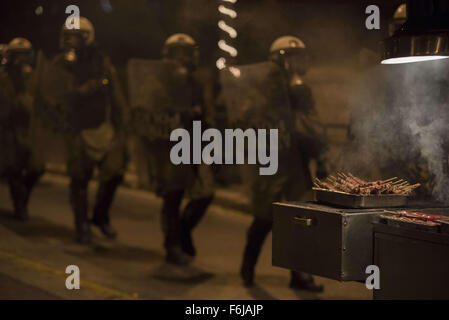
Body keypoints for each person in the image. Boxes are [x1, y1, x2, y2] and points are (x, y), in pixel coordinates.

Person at [239, 36, 327, 291]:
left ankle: (299, 275)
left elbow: (312, 124)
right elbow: (248, 122)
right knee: (265, 218)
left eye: (301, 56)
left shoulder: (302, 89)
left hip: (297, 163)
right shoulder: (262, 91)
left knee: (299, 220)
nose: (300, 62)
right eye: (293, 57)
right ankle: (248, 264)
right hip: (271, 162)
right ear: (280, 60)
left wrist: (319, 158)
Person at [46, 17, 129, 243]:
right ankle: (81, 224)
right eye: (68, 36)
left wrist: (123, 123)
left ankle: (100, 216)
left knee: (115, 172)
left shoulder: (101, 62)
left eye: (76, 36)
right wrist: (77, 94)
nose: (72, 41)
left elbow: (116, 94)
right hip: (75, 128)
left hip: (101, 126)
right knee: (79, 178)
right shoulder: (58, 64)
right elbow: (51, 96)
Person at [140, 34, 215, 265]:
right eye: (176, 53)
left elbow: (204, 115)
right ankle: (172, 246)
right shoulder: (156, 83)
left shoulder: (195, 84)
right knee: (173, 196)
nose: (181, 58)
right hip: (167, 146)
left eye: (185, 52)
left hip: (192, 145)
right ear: (167, 56)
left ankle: (182, 231)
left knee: (205, 194)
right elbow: (148, 112)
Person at [0, 37, 44, 221]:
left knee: (37, 167)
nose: (21, 60)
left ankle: (23, 197)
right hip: (8, 129)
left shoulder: (33, 77)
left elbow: (40, 102)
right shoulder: (4, 78)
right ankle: (20, 206)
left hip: (29, 129)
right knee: (13, 168)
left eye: (24, 56)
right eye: (17, 56)